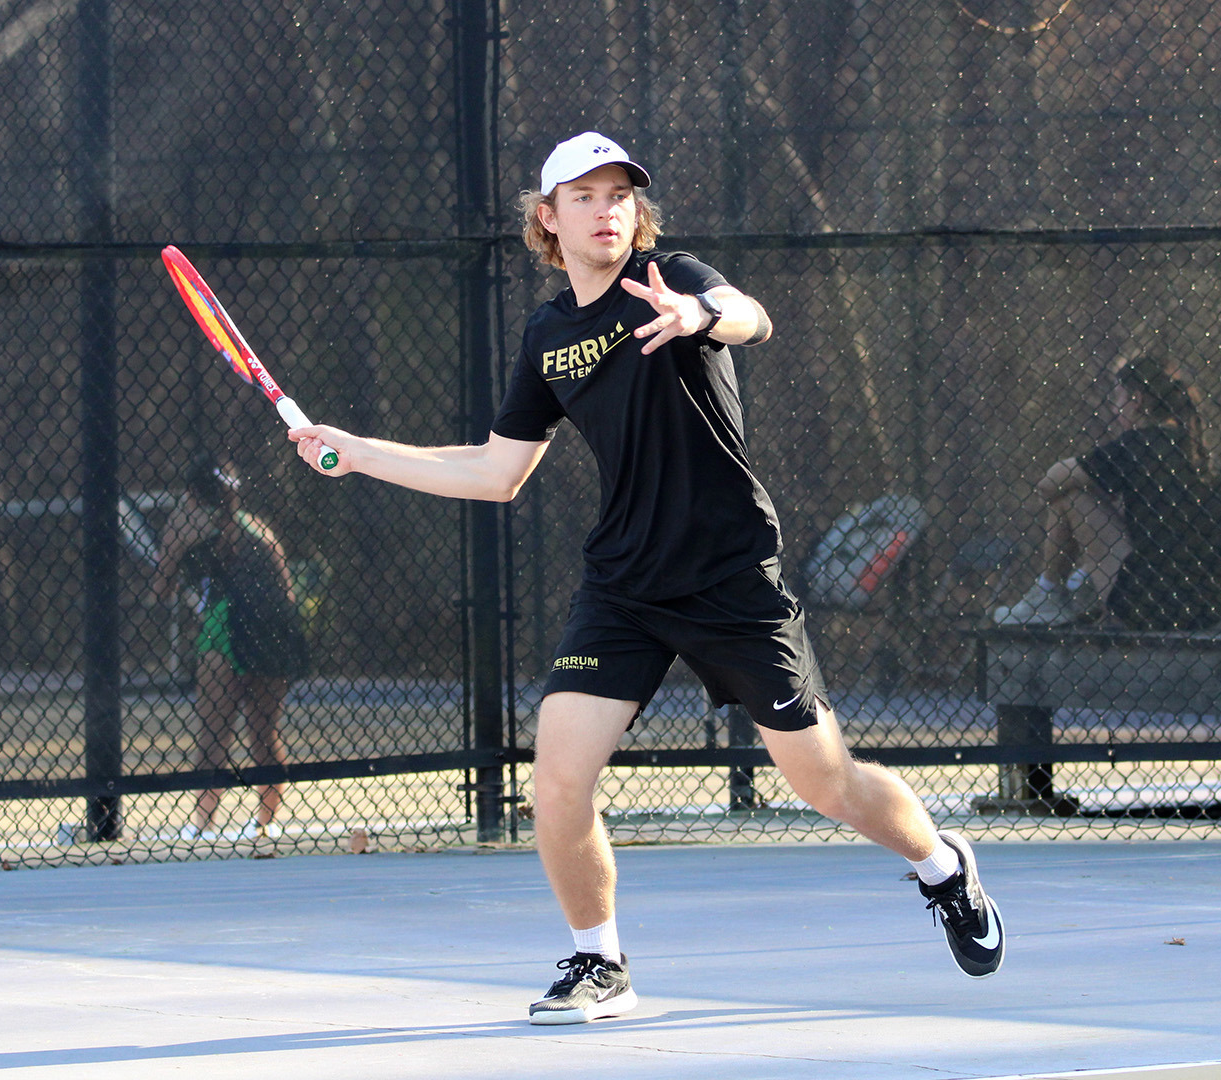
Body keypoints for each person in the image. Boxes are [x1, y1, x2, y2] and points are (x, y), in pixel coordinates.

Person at [285, 131, 1004, 1024]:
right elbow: (494, 472)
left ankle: (942, 865)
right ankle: (602, 963)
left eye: (619, 194)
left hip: (731, 574)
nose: (605, 209)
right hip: (623, 587)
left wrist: (702, 319)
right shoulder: (548, 336)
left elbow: (751, 314)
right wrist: (356, 454)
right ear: (547, 220)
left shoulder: (675, 280)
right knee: (557, 778)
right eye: (583, 196)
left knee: (823, 781)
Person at [992, 357, 1221, 630]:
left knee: (1069, 496)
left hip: (1148, 604)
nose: (1114, 407)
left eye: (1118, 398)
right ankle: (1083, 581)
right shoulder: (1199, 454)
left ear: (1138, 399)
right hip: (1207, 608)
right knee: (1136, 507)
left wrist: (1088, 490)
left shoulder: (1138, 445)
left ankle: (1049, 594)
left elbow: (1051, 482)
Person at [153, 457, 310, 840]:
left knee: (214, 733)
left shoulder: (187, 524)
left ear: (191, 495)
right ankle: (264, 822)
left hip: (225, 629)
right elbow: (287, 593)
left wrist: (174, 555)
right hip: (272, 634)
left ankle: (204, 823)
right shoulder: (260, 530)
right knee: (264, 733)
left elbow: (161, 589)